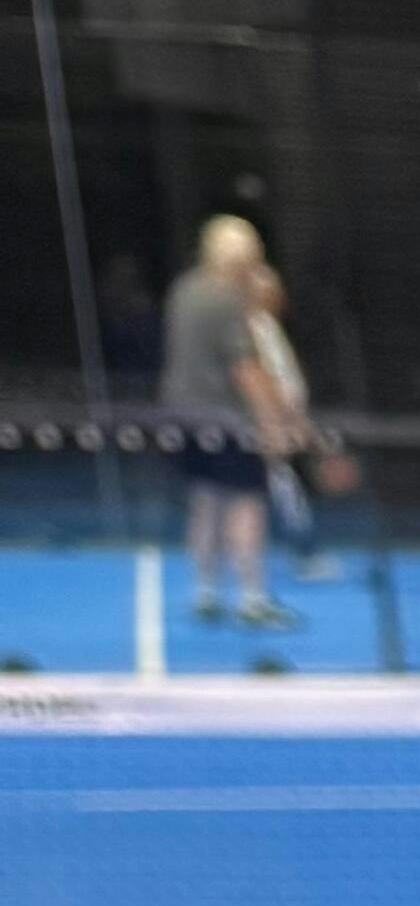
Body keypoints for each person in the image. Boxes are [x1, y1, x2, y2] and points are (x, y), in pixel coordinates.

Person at [158, 212, 300, 629]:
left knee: (205, 503)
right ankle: (253, 599)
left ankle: (205, 591)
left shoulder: (184, 290)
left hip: (184, 415)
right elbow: (246, 370)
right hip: (228, 421)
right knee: (246, 505)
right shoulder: (229, 301)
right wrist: (274, 423)